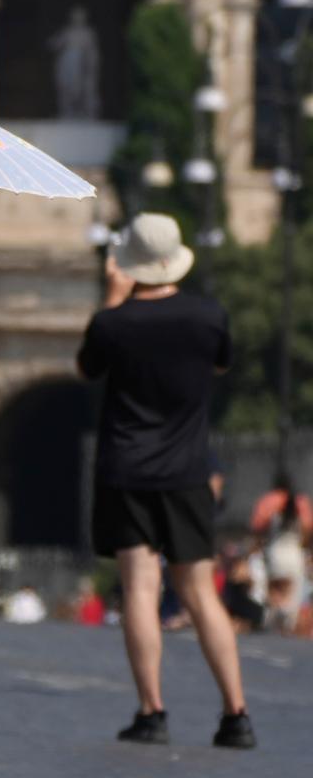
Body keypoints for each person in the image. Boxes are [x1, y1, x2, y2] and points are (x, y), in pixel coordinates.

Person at [77, 213, 254, 749]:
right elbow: (220, 368)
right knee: (201, 593)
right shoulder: (208, 316)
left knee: (140, 587)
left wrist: (114, 299)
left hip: (127, 470)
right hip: (188, 471)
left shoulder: (114, 323)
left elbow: (89, 369)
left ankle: (152, 710)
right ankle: (236, 714)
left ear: (129, 264)